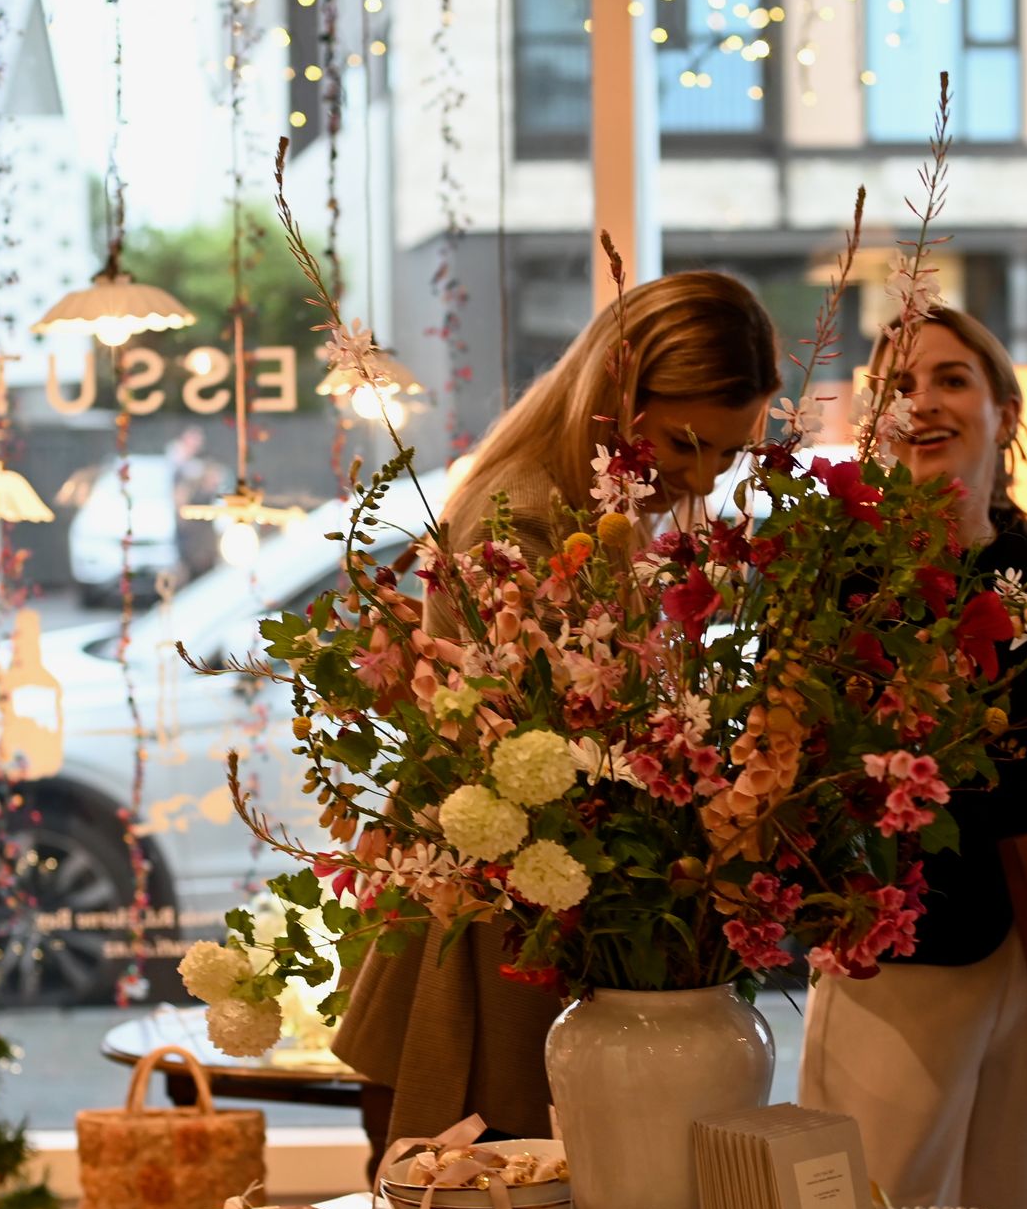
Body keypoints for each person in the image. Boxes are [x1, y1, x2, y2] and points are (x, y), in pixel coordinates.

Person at [333, 272, 781, 1154]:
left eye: (726, 456)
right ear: (618, 392)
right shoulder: (527, 518)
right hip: (486, 937)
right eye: (684, 442)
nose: (696, 476)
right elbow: (550, 756)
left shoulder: (592, 507)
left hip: (525, 900)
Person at [795, 305, 1027, 1209]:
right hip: (898, 955)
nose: (922, 401)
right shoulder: (841, 577)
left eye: (951, 378)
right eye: (898, 385)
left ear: (1003, 409)